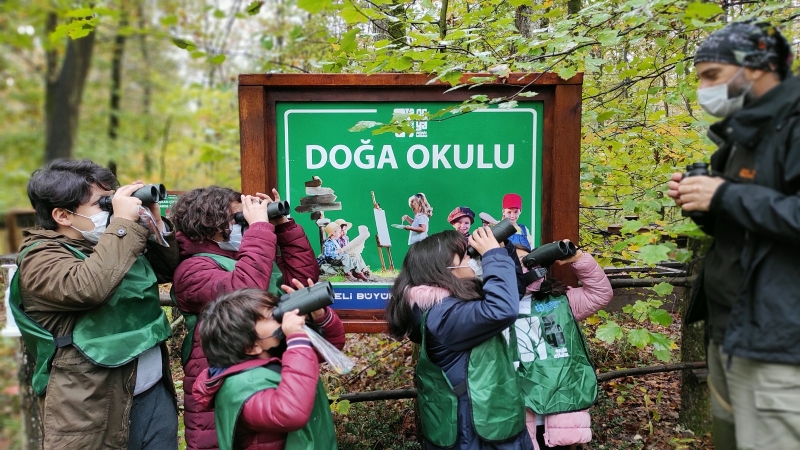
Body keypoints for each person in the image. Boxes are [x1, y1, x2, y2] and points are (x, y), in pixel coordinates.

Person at [665, 20, 798, 450]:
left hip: (778, 342)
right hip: (729, 331)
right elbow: (747, 223)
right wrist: (703, 203)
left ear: (756, 67)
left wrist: (725, 196)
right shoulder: (745, 133)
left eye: (712, 76)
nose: (705, 90)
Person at [10, 159, 179, 449]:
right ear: (63, 215)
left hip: (151, 392)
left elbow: (167, 269)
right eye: (103, 203)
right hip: (90, 405)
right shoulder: (40, 258)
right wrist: (123, 225)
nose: (112, 209)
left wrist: (153, 223)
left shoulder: (109, 240)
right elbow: (88, 288)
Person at [169, 186, 320, 450]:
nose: (247, 224)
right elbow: (245, 290)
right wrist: (260, 229)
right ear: (211, 225)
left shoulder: (248, 257)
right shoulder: (192, 269)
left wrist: (282, 225)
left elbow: (301, 278)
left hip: (268, 370)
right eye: (240, 219)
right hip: (229, 390)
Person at [386, 229, 534, 450]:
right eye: (467, 256)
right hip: (474, 432)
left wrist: (504, 250)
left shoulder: (451, 305)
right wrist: (492, 254)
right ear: (443, 271)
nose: (475, 260)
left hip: (485, 419)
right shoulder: (443, 316)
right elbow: (503, 309)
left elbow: (513, 291)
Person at [192, 284, 345, 450]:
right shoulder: (239, 390)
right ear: (250, 347)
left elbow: (330, 348)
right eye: (270, 316)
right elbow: (290, 412)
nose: (280, 316)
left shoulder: (272, 354)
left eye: (275, 309)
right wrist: (297, 340)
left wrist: (319, 316)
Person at [513, 242, 612, 450]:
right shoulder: (491, 308)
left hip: (562, 416)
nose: (526, 269)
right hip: (517, 414)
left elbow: (600, 294)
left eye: (530, 262)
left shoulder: (561, 300)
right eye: (516, 263)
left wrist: (580, 259)